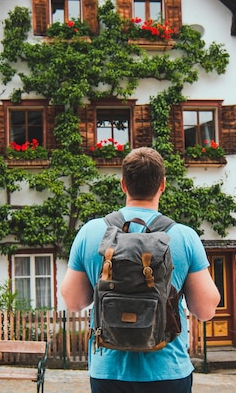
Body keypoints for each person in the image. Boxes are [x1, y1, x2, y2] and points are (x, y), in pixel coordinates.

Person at [60, 147, 221, 393]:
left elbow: (73, 301)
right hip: (168, 372)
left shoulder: (91, 232)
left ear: (123, 185)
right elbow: (206, 310)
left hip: (109, 373)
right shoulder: (184, 236)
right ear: (163, 185)